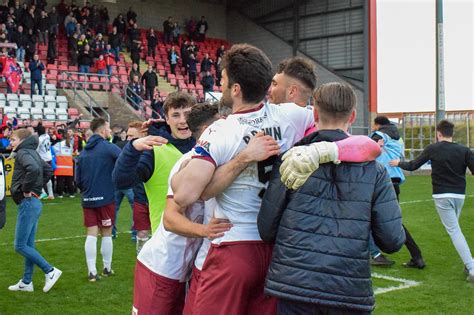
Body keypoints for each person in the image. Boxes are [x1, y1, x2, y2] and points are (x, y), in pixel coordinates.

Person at [170, 44, 380, 315]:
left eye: (222, 79)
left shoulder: (220, 131)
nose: (219, 84)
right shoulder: (290, 116)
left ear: (235, 89)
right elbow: (360, 142)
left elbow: (184, 196)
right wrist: (327, 149)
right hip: (276, 250)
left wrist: (236, 161)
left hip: (233, 246)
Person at [257, 82, 405, 314]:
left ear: (315, 113)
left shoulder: (291, 160)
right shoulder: (375, 171)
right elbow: (392, 239)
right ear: (353, 116)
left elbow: (267, 228)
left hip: (297, 287)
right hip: (345, 289)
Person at [390, 119, 474, 283]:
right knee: (456, 229)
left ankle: (471, 268)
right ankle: (468, 263)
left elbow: (414, 165)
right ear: (452, 133)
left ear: (438, 133)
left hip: (442, 195)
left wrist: (398, 163)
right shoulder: (464, 150)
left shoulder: (433, 149)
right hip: (459, 195)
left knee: (454, 231)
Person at [112, 92, 196, 235]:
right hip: (168, 242)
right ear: (167, 119)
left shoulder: (208, 143)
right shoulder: (154, 149)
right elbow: (121, 181)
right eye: (176, 115)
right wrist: (132, 148)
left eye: (188, 114)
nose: (183, 120)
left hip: (205, 242)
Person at [8, 128, 62, 293]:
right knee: (28, 244)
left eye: (13, 139)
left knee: (20, 245)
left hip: (28, 201)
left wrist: (26, 189)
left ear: (22, 140)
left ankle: (50, 270)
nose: (11, 143)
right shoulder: (32, 151)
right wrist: (36, 188)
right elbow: (47, 171)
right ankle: (26, 282)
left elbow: (35, 170)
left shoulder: (23, 152)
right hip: (34, 201)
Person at [369, 116, 425, 268]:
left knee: (364, 217)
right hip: (394, 182)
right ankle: (416, 255)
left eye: (373, 125)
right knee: (394, 222)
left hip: (380, 182)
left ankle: (375, 254)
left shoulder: (380, 135)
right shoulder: (398, 139)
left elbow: (365, 148)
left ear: (377, 124)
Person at [75, 118, 121, 282]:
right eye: (108, 128)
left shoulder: (83, 152)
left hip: (88, 198)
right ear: (102, 131)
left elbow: (77, 180)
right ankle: (107, 268)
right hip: (106, 197)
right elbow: (124, 161)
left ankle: (92, 271)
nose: (110, 131)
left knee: (91, 233)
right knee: (107, 233)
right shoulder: (108, 148)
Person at [53, 131, 75, 198]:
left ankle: (60, 194)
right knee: (69, 181)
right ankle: (72, 194)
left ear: (61, 137)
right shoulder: (70, 145)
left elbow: (52, 149)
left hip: (60, 166)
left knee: (60, 181)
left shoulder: (58, 144)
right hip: (69, 166)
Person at [36, 125, 54, 200]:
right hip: (48, 157)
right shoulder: (47, 136)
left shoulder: (39, 139)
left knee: (39, 176)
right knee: (47, 176)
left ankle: (43, 193)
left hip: (42, 158)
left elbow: (36, 150)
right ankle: (51, 194)